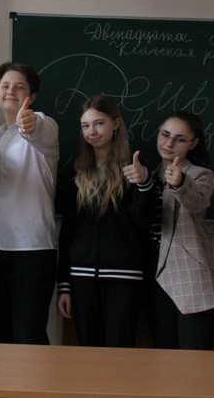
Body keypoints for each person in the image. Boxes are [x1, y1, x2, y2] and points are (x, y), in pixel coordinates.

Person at [56, 94, 154, 347]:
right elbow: (68, 232)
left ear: (116, 123)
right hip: (81, 276)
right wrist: (64, 285)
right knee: (89, 352)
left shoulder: (135, 169)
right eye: (85, 125)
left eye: (99, 123)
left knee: (120, 352)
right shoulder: (76, 173)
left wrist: (143, 183)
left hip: (125, 276)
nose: (92, 131)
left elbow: (145, 222)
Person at [0, 62, 59, 344]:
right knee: (0, 335)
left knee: (28, 337)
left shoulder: (44, 126)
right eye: (5, 86)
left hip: (30, 251)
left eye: (19, 87)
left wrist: (30, 124)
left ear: (31, 97)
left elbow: (37, 130)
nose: (10, 91)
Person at [146, 111, 214, 350]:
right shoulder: (149, 176)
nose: (169, 143)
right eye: (165, 135)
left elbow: (197, 201)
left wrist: (179, 182)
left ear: (193, 143)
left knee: (195, 360)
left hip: (189, 281)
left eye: (179, 139)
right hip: (154, 278)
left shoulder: (200, 175)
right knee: (163, 359)